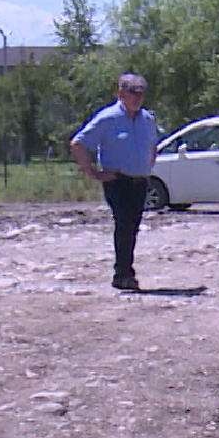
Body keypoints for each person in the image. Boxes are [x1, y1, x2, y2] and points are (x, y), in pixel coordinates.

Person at [69, 73, 159, 291]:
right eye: (132, 93)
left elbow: (153, 145)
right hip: (117, 181)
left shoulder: (147, 119)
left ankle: (124, 272)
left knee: (133, 226)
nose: (137, 98)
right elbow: (79, 144)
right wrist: (92, 172)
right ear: (120, 93)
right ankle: (123, 274)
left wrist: (147, 166)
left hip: (140, 181)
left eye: (141, 94)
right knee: (125, 224)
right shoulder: (107, 118)